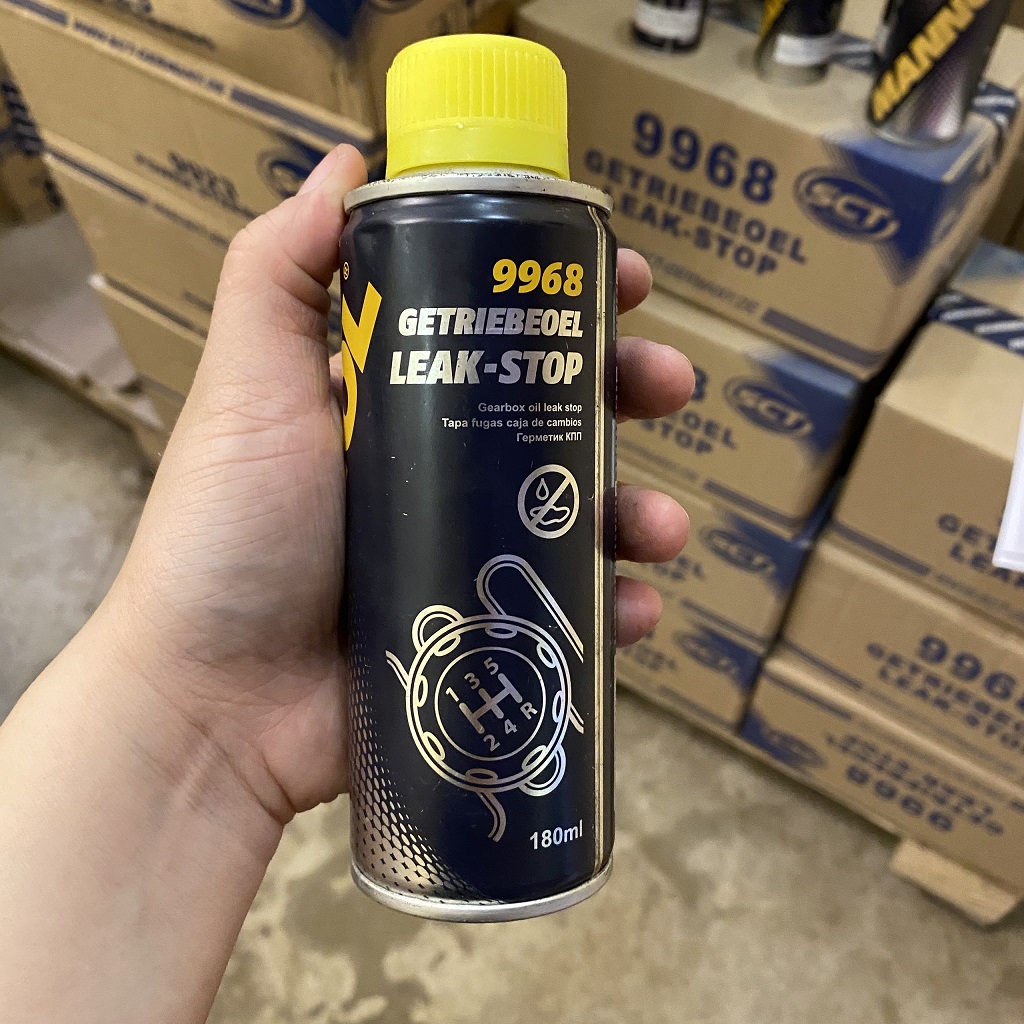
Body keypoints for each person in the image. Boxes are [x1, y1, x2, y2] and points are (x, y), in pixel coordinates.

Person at [0, 145, 694, 1023]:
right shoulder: (398, 230)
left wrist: (193, 721)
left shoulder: (565, 233)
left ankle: (545, 819)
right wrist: (187, 703)